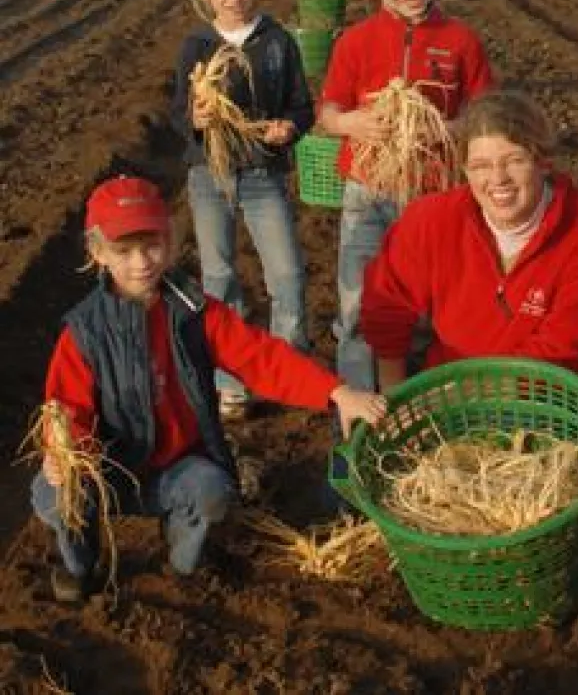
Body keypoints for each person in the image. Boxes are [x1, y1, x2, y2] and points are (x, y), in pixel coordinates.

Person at [30, 175, 386, 604]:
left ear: (170, 238)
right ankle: (82, 566)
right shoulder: (85, 331)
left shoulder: (193, 312)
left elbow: (260, 358)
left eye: (152, 245)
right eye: (124, 251)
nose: (142, 262)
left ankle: (183, 564)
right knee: (58, 494)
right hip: (107, 471)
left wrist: (335, 392)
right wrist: (64, 453)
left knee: (211, 492)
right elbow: (65, 408)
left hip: (176, 468)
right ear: (98, 253)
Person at [361, 91, 578, 400]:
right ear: (465, 170)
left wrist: (461, 398)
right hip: (452, 387)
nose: (498, 179)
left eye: (514, 161)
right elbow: (387, 308)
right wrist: (395, 399)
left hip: (564, 395)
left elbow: (570, 353)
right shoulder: (430, 221)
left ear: (543, 162)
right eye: (481, 166)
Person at [318, 0, 493, 397]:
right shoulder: (355, 43)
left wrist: (443, 127)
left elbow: (483, 116)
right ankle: (357, 408)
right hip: (367, 189)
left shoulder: (461, 42)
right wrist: (351, 123)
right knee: (357, 303)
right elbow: (328, 112)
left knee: (433, 303)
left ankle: (429, 399)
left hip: (434, 193)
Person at [172, 0, 311, 419]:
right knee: (219, 276)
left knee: (288, 274)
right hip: (209, 178)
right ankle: (229, 380)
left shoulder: (277, 42)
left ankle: (288, 367)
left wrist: (288, 127)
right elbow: (176, 113)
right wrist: (196, 119)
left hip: (262, 176)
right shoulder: (196, 46)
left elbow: (302, 106)